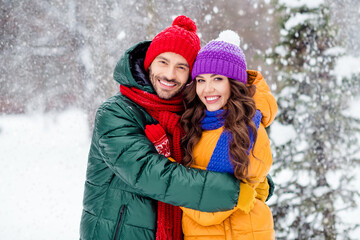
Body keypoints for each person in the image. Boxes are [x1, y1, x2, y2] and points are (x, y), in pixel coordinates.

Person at [79, 16, 274, 240]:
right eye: (163, 62)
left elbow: (206, 158)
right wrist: (233, 191)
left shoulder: (189, 114)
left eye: (181, 67)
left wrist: (254, 178)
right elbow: (153, 174)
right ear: (149, 63)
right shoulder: (116, 113)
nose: (170, 75)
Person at [178, 30, 276, 239]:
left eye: (218, 79)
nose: (207, 89)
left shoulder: (248, 128)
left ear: (234, 83)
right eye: (201, 80)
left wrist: (176, 181)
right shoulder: (191, 126)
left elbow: (208, 210)